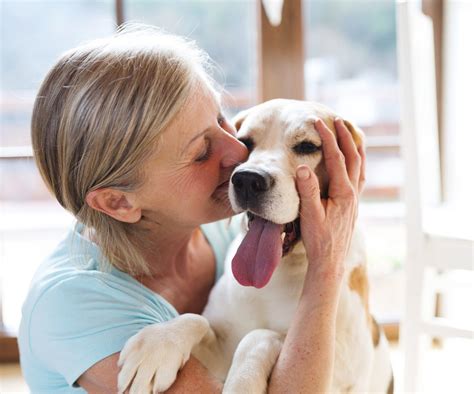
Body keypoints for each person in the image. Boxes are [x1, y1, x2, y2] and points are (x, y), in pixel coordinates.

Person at [18, 25, 365, 393]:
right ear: (119, 201)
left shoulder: (225, 230)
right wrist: (327, 265)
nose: (238, 155)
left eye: (221, 121)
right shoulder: (75, 308)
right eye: (201, 151)